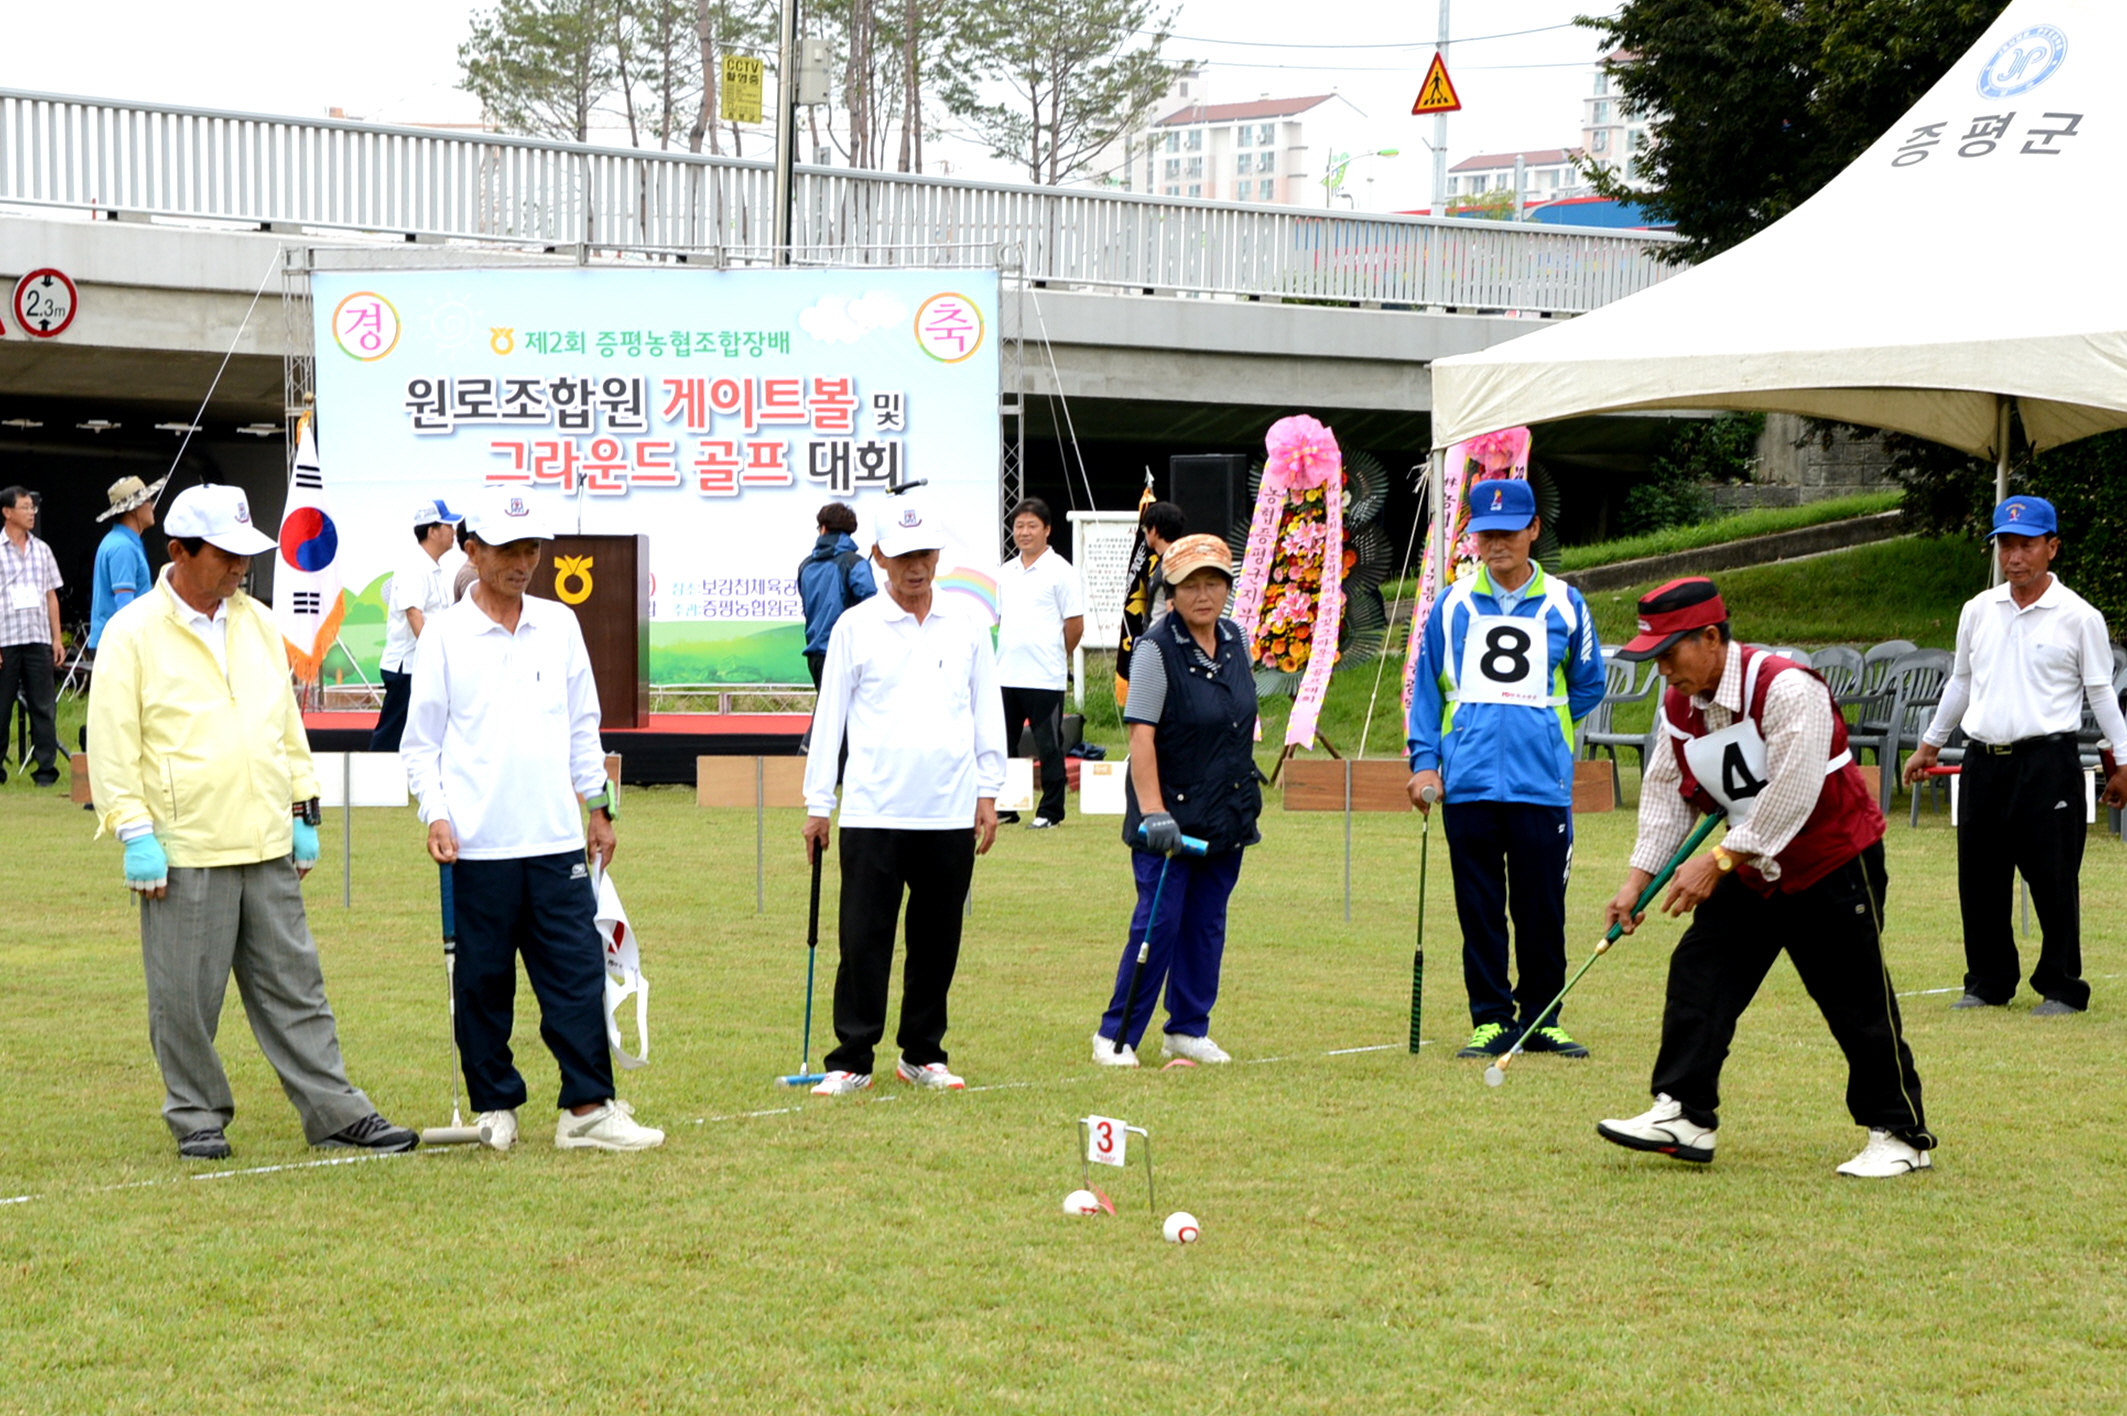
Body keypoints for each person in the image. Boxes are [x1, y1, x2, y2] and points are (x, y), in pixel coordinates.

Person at [88, 484, 415, 1161]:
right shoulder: (133, 633)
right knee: (183, 998)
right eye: (227, 554)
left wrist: (303, 810)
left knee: (297, 990)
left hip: (267, 839)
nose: (241, 567)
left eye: (247, 554)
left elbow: (285, 726)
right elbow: (114, 742)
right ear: (179, 551)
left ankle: (334, 1110)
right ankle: (197, 1114)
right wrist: (133, 831)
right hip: (183, 847)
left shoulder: (259, 622)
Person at [1595, 576, 1935, 1179]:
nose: (1661, 671)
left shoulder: (1786, 687)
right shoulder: (1679, 702)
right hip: (1748, 869)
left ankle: (1900, 1134)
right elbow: (1666, 794)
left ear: (1709, 638)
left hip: (1830, 859)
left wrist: (1721, 859)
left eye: (1668, 654)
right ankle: (1685, 1115)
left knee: (1854, 998)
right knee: (1700, 972)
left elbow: (1794, 791)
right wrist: (1637, 878)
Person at [401, 492, 663, 1153]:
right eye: (508, 549)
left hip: (555, 840)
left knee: (574, 975)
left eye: (531, 550)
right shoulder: (444, 636)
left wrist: (597, 806)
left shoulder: (559, 622)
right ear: (472, 550)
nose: (523, 562)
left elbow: (582, 726)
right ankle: (494, 1107)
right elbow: (421, 742)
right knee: (483, 983)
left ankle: (587, 1108)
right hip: (477, 844)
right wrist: (435, 811)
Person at [801, 489, 1004, 1096]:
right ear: (879, 556)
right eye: (903, 554)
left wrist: (988, 790)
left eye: (926, 554)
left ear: (939, 555)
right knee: (863, 940)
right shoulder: (855, 627)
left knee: (937, 941)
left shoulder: (967, 624)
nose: (916, 567)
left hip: (948, 809)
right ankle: (851, 1058)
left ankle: (923, 1052)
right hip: (873, 809)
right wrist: (819, 804)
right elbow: (828, 718)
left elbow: (985, 712)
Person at [1405, 478, 1606, 1060]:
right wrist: (1426, 764)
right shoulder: (1452, 605)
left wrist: (1540, 727)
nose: (1498, 544)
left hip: (1541, 784)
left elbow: (1588, 683)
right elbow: (1428, 694)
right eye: (1486, 534)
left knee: (1542, 908)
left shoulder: (1567, 602)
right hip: (1467, 786)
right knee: (1480, 907)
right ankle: (1491, 1017)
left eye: (1510, 531)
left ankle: (1543, 1017)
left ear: (1534, 529)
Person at [1904, 495, 2127, 1015]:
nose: (2014, 557)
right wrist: (1930, 744)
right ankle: (1986, 981)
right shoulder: (1977, 610)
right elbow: (1960, 682)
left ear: (2052, 547)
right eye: (2005, 545)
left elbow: (2101, 694)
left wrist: (2125, 761)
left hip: (2047, 763)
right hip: (1983, 759)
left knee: (2052, 877)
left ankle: (2061, 985)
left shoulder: (2079, 617)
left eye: (2026, 545)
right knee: (1979, 877)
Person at [1093, 534, 1261, 1067]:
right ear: (1171, 592)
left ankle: (1187, 1027)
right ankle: (1115, 1037)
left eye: (1214, 583)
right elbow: (1140, 735)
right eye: (1191, 585)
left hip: (1225, 811)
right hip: (1171, 818)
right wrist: (1154, 811)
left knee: (1207, 923)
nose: (1203, 594)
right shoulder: (1154, 649)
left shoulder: (1235, 639)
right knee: (1159, 924)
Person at [995, 497, 1084, 828]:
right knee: (1004, 744)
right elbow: (1003, 619)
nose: (1024, 532)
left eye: (1032, 526)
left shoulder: (1061, 571)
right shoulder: (1006, 571)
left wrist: (1058, 656)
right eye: (1019, 526)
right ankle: (1007, 806)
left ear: (1047, 530)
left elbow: (1074, 623)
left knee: (1049, 746)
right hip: (1007, 673)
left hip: (1045, 676)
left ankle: (1051, 811)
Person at [371, 499, 464, 752]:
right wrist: (433, 657)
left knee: (411, 731)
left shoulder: (432, 567)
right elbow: (415, 614)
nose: (454, 532)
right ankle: (371, 784)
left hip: (420, 665)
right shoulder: (414, 566)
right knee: (392, 732)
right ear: (432, 531)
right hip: (409, 667)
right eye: (448, 525)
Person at [0, 486, 66, 787]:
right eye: (25, 507)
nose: (31, 513)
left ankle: (45, 770)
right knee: (2, 706)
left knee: (43, 705)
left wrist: (56, 638)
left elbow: (51, 595)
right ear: (7, 512)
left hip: (37, 637)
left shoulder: (43, 549)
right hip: (6, 639)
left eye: (32, 507)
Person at [797, 501, 878, 689]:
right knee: (848, 714)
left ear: (823, 529)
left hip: (816, 653)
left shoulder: (805, 566)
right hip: (848, 654)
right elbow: (871, 607)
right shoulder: (855, 563)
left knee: (828, 713)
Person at [1114, 499, 1186, 705]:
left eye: (1146, 529)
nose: (1145, 535)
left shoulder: (1171, 564)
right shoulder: (1171, 559)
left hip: (1163, 649)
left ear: (1154, 530)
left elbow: (1174, 610)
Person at [89, 474, 165, 656]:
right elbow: (125, 604)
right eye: (148, 500)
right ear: (133, 509)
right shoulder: (123, 546)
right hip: (119, 646)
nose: (152, 505)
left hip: (116, 642)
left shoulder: (123, 542)